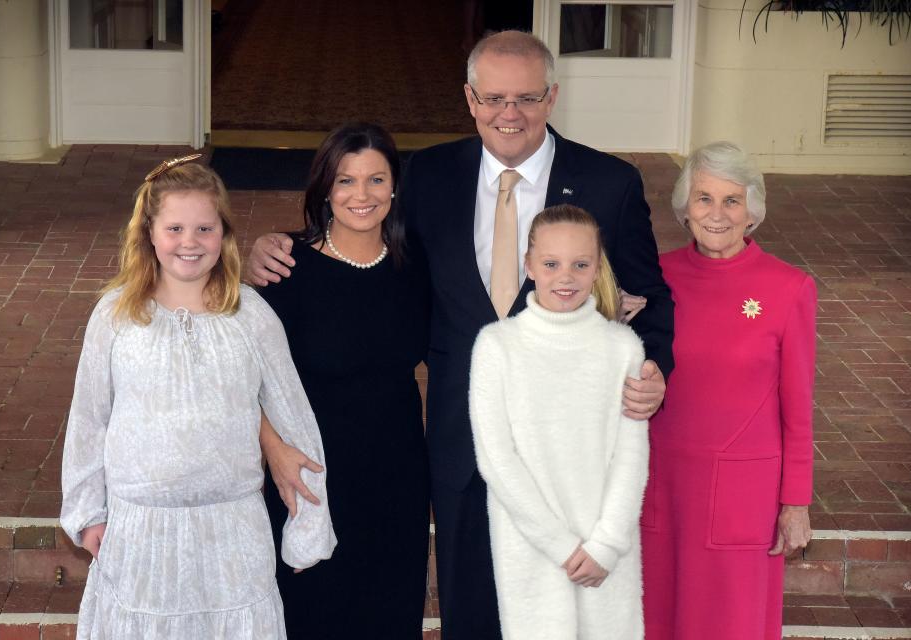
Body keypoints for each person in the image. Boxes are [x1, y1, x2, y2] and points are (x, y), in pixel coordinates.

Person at [247, 31, 674, 639]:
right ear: (470, 99)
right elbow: (358, 234)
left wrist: (654, 367)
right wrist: (278, 245)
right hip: (459, 436)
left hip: (567, 439)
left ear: (552, 97)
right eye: (494, 98)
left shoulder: (610, 184)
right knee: (469, 605)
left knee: (565, 606)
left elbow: (650, 298)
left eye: (526, 98)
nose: (510, 114)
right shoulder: (426, 176)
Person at [59, 157, 335, 639]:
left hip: (231, 528)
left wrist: (308, 526)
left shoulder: (250, 315)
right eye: (176, 228)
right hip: (141, 527)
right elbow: (89, 418)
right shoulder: (116, 316)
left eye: (204, 228)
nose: (190, 242)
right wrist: (87, 512)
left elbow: (293, 416)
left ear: (223, 234)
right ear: (149, 233)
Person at [257, 123, 431, 640]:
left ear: (394, 187)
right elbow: (241, 381)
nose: (362, 195)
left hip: (396, 473)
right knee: (313, 613)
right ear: (325, 190)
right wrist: (274, 451)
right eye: (346, 181)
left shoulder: (418, 262)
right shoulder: (286, 266)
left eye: (376, 180)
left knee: (389, 611)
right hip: (310, 472)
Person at [640, 142, 815, 639]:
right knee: (656, 619)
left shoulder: (789, 288)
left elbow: (797, 408)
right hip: (662, 483)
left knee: (730, 623)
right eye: (703, 199)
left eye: (731, 200)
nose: (717, 214)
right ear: (684, 208)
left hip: (744, 495)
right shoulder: (656, 278)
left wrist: (795, 502)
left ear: (752, 211)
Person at [470, 205, 648, 640]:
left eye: (580, 264)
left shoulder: (622, 347)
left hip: (607, 550)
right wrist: (560, 546)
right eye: (551, 264)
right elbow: (496, 458)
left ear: (596, 268)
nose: (564, 277)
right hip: (531, 545)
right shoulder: (498, 346)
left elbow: (631, 457)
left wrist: (605, 545)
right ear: (529, 266)